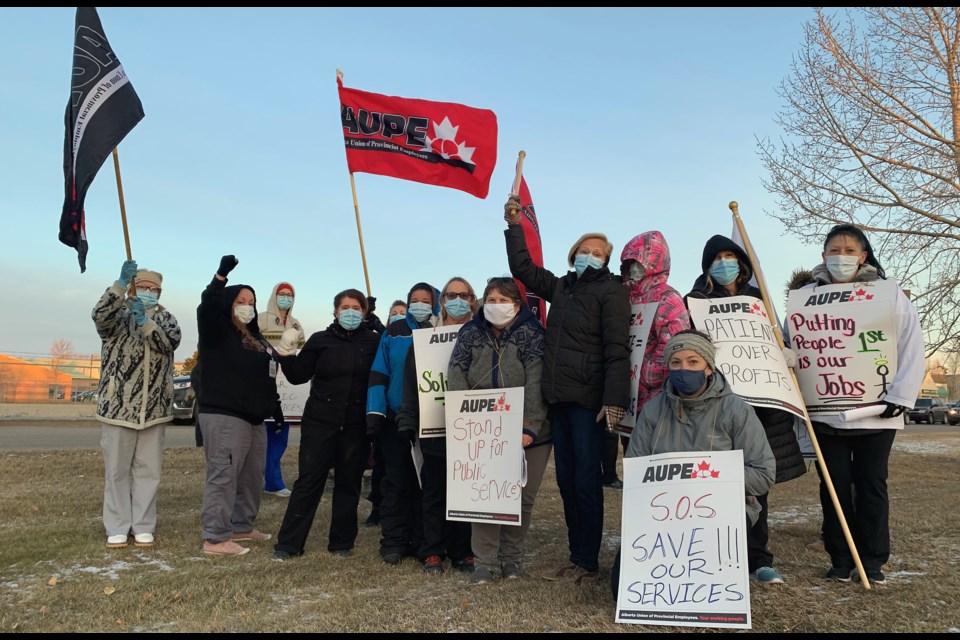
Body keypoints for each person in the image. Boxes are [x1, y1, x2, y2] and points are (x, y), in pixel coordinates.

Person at [503, 195, 631, 585]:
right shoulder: (561, 287)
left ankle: (588, 561)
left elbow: (616, 349)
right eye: (584, 250)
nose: (589, 256)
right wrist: (513, 226)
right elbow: (523, 269)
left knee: (586, 482)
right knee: (565, 483)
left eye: (598, 253)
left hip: (588, 403)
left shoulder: (611, 291)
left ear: (606, 261)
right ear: (573, 254)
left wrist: (613, 400)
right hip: (557, 399)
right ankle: (578, 555)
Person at [793, 224, 924, 585]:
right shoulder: (804, 297)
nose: (842, 256)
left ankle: (872, 560)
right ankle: (839, 556)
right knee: (833, 487)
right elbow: (791, 340)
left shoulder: (888, 294)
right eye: (835, 249)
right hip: (826, 414)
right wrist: (788, 355)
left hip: (876, 413)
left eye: (850, 250)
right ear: (823, 256)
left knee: (871, 485)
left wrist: (901, 395)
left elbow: (911, 342)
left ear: (863, 256)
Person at [610, 329, 776, 599]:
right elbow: (635, 468)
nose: (683, 369)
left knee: (705, 583)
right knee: (622, 591)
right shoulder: (652, 410)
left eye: (692, 362)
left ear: (708, 368)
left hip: (721, 511)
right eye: (676, 363)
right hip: (663, 511)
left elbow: (763, 473)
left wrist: (711, 478)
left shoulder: (737, 411)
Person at [685, 234, 805, 584]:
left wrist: (784, 355)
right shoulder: (694, 302)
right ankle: (712, 552)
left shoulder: (760, 300)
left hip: (762, 405)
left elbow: (777, 340)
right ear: (707, 266)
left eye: (730, 256)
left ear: (742, 262)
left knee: (754, 483)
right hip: (716, 405)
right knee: (712, 480)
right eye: (717, 258)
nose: (724, 264)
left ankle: (757, 559)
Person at [446, 276, 552, 585]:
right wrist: (465, 422)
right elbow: (456, 373)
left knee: (521, 497)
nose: (497, 306)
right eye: (491, 300)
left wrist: (530, 426)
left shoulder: (533, 333)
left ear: (517, 305)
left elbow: (536, 379)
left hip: (531, 432)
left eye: (504, 301)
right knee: (484, 498)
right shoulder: (470, 333)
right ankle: (484, 562)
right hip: (483, 431)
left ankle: (512, 560)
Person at [271, 289, 380, 560]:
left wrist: (380, 325)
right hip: (320, 422)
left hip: (355, 425)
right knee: (309, 481)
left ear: (364, 313)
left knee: (349, 483)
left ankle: (342, 543)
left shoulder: (374, 341)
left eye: (357, 307)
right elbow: (297, 377)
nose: (350, 312)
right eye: (345, 307)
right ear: (335, 311)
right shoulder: (321, 340)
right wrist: (286, 354)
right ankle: (288, 544)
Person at [197, 255, 284, 556]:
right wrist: (220, 276)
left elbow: (269, 375)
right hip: (224, 414)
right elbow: (207, 307)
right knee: (224, 474)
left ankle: (241, 525)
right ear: (230, 302)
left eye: (252, 301)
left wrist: (276, 409)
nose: (247, 305)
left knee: (250, 475)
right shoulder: (217, 332)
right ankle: (216, 537)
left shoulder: (256, 338)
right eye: (241, 300)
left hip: (255, 418)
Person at [93, 260, 181, 549]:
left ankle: (143, 525)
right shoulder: (118, 314)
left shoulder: (167, 319)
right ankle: (117, 526)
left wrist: (146, 322)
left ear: (160, 292)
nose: (147, 292)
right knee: (117, 471)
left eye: (152, 288)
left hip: (154, 411)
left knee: (148, 472)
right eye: (142, 286)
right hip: (118, 408)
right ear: (133, 286)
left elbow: (168, 343)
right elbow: (99, 317)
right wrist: (118, 286)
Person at [397, 277, 478, 576]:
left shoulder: (482, 335)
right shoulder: (424, 341)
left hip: (472, 424)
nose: (458, 300)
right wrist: (408, 418)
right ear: (442, 300)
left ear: (472, 299)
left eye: (464, 294)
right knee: (433, 489)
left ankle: (463, 551)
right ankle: (432, 549)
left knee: (464, 491)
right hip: (433, 425)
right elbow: (410, 382)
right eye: (451, 295)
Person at [603, 231, 692, 489]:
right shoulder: (623, 297)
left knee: (659, 470)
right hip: (627, 400)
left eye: (640, 263)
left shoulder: (668, 297)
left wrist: (643, 375)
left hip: (657, 401)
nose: (635, 269)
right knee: (634, 463)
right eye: (630, 263)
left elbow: (674, 344)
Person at [366, 282, 440, 564]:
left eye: (425, 300)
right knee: (396, 482)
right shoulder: (393, 333)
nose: (419, 304)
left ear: (434, 304)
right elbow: (379, 373)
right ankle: (394, 541)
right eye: (414, 300)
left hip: (433, 419)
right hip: (397, 419)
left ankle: (424, 540)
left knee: (427, 484)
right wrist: (375, 411)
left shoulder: (442, 331)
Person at [257, 282, 306, 498]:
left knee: (279, 435)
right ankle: (255, 479)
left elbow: (302, 350)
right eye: (282, 294)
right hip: (262, 382)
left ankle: (274, 482)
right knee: (259, 437)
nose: (286, 298)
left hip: (287, 390)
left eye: (290, 295)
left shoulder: (296, 324)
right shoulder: (260, 319)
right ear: (274, 295)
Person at [365, 300, 406, 526]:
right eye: (394, 313)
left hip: (403, 412)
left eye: (403, 313)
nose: (399, 316)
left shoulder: (394, 335)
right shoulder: (383, 338)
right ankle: (377, 506)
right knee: (381, 465)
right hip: (383, 412)